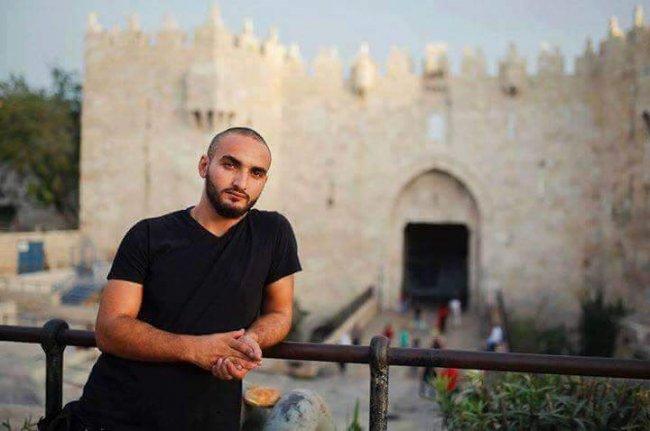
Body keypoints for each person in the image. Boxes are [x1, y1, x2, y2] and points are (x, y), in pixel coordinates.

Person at [45, 128, 302, 431]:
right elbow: (109, 329)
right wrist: (195, 349)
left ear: (264, 181)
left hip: (210, 420)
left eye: (255, 173)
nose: (241, 182)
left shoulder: (273, 233)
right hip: (115, 416)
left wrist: (251, 341)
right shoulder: (148, 235)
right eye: (230, 165)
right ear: (204, 165)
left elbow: (280, 313)